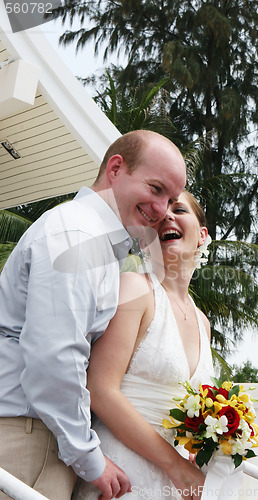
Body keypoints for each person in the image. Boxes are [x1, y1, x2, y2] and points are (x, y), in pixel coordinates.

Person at [0, 130, 187, 500]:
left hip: (42, 437)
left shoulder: (96, 242)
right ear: (116, 168)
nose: (162, 209)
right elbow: (54, 358)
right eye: (156, 188)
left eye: (171, 199)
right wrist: (90, 457)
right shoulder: (76, 234)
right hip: (25, 438)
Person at [72, 191, 215, 500]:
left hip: (174, 484)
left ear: (202, 235)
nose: (167, 216)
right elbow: (100, 390)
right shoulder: (135, 288)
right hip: (123, 474)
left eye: (179, 209)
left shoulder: (204, 323)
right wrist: (176, 465)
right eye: (160, 212)